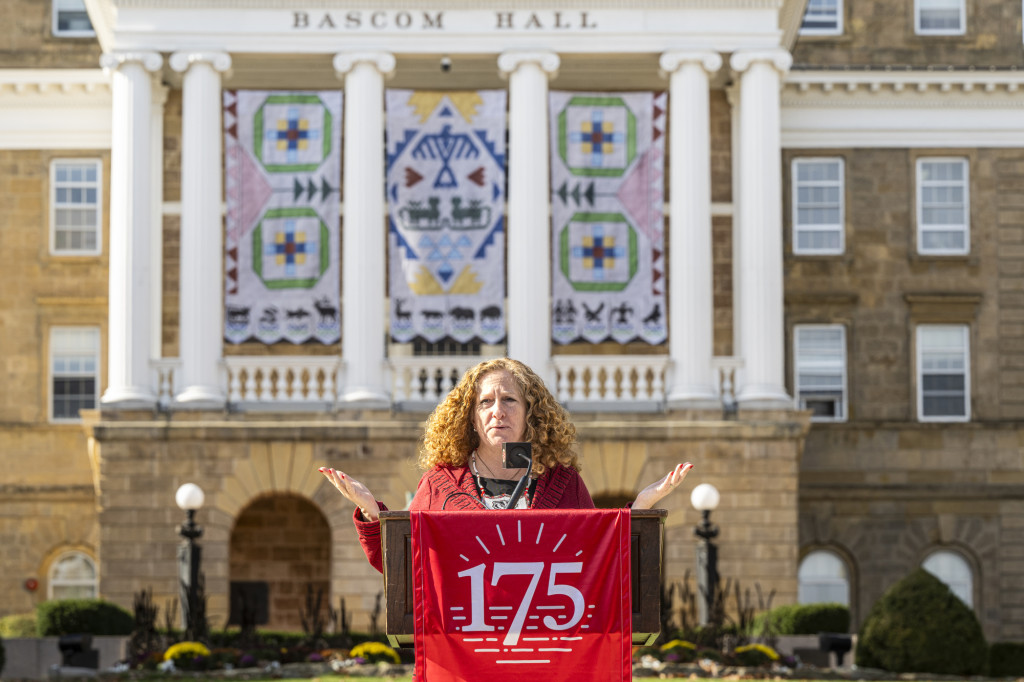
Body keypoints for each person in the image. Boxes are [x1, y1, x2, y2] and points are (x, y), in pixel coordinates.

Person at [319, 357, 693, 573]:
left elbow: (594, 557)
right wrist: (372, 514)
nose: (497, 411)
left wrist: (638, 512)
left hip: (543, 642)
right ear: (470, 417)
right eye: (485, 402)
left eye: (510, 400)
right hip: (465, 645)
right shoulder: (440, 483)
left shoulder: (563, 482)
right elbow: (407, 564)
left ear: (532, 412)